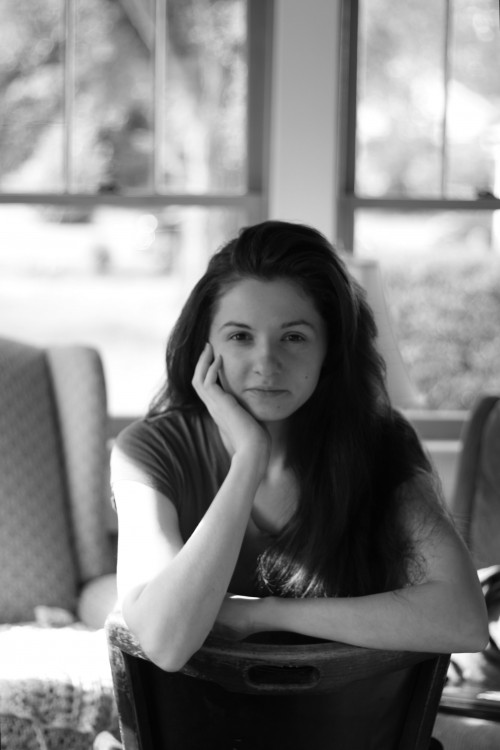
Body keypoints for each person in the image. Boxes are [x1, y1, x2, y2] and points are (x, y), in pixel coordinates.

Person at [111, 220, 487, 746]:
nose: (267, 363)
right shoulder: (149, 449)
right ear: (206, 349)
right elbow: (166, 640)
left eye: (294, 336)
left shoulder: (381, 442)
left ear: (330, 350)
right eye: (240, 336)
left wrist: (258, 615)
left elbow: (463, 619)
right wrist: (249, 459)